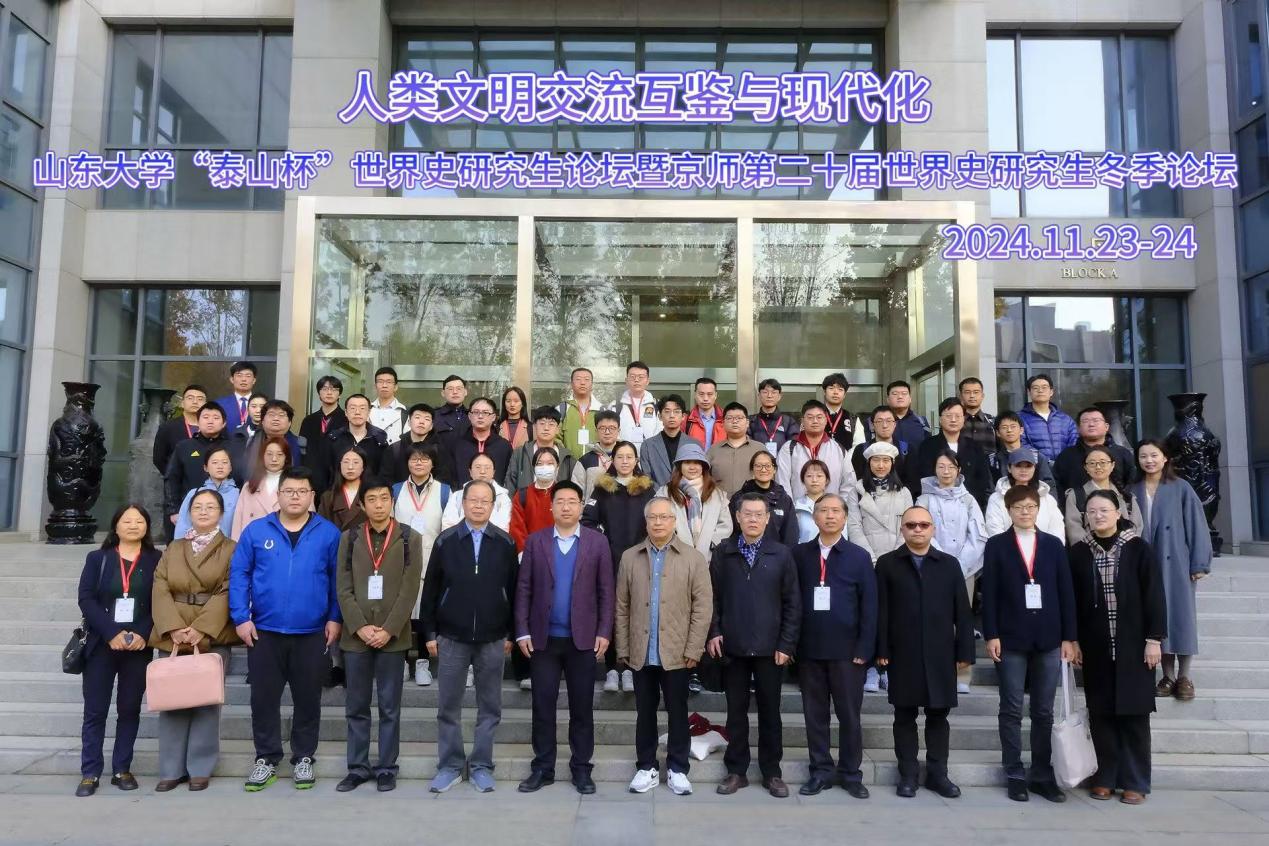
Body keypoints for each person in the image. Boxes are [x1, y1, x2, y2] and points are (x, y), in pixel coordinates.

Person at [230, 467, 342, 792]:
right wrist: (241, 617)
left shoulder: (328, 533)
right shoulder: (256, 531)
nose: (295, 497)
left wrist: (334, 617)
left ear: (312, 496)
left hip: (311, 631)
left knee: (308, 698)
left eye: (301, 491)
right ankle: (266, 758)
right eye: (289, 491)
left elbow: (337, 580)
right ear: (278, 495)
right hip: (264, 630)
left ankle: (304, 756)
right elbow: (239, 574)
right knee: (263, 698)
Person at [515, 482, 615, 795]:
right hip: (543, 639)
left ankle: (581, 769)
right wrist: (522, 630)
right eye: (560, 501)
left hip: (582, 641)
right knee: (542, 706)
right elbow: (524, 588)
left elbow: (606, 591)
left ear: (581, 506)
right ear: (552, 506)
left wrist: (604, 631)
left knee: (581, 708)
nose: (566, 507)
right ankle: (542, 768)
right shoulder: (536, 541)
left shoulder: (597, 543)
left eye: (572, 501)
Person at [420, 480, 520, 794]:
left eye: (484, 501)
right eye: (472, 500)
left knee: (489, 708)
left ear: (493, 505)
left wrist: (511, 632)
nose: (478, 506)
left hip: (493, 637)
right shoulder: (446, 541)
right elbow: (431, 590)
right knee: (448, 706)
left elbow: (514, 592)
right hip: (451, 636)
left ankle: (481, 766)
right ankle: (450, 766)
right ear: (463, 504)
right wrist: (429, 632)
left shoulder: (505, 542)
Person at [1068, 490, 1166, 804]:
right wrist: (1073, 639)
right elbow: (1072, 601)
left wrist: (1154, 639)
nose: (1098, 516)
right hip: (1096, 646)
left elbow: (1154, 595)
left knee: (1134, 715)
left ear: (1118, 513)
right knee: (1101, 713)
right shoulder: (1079, 553)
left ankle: (1135, 781)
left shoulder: (1138, 548)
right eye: (1092, 511)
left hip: (1135, 646)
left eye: (1104, 510)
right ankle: (1105, 777)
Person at [981, 485, 1078, 803]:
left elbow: (1066, 592)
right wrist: (991, 634)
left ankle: (1041, 774)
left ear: (1039, 509)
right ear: (1008, 511)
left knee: (1043, 710)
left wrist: (1069, 637)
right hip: (1010, 637)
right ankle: (1013, 772)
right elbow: (990, 593)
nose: (1025, 512)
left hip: (1049, 637)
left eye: (1030, 507)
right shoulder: (997, 545)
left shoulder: (1053, 545)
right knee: (1010, 708)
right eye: (1018, 507)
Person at [875, 506, 975, 799]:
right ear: (902, 529)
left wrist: (965, 651)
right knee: (904, 716)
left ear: (933, 529)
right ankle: (907, 774)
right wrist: (880, 649)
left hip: (940, 652)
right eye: (911, 525)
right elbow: (880, 611)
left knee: (938, 716)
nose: (917, 530)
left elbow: (963, 612)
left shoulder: (949, 564)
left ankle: (937, 774)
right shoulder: (887, 564)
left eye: (923, 525)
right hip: (902, 652)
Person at [616, 496, 713, 797]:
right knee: (644, 711)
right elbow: (622, 606)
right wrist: (623, 647)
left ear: (674, 521)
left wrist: (694, 649)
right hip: (641, 648)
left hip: (678, 651)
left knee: (677, 711)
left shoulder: (693, 558)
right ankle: (646, 766)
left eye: (664, 517)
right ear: (646, 522)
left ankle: (678, 768)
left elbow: (703, 607)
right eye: (653, 518)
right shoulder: (630, 557)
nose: (658, 522)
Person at [334, 477, 423, 793]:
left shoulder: (409, 538)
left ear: (392, 501)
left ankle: (386, 767)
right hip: (355, 637)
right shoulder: (349, 538)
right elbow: (343, 587)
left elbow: (410, 589)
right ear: (362, 504)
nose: (379, 505)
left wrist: (388, 629)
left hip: (393, 637)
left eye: (384, 498)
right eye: (371, 499)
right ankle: (357, 767)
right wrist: (359, 626)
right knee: (356, 706)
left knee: (389, 707)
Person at [708, 493, 800, 798]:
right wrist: (714, 632)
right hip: (733, 646)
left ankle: (772, 773)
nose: (753, 519)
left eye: (759, 514)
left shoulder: (781, 554)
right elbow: (712, 598)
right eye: (747, 514)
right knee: (735, 712)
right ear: (737, 517)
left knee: (770, 712)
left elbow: (793, 603)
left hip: (770, 649)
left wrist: (786, 643)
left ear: (768, 518)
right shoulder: (724, 552)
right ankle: (737, 771)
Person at [149, 490, 239, 792]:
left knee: (206, 702)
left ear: (221, 514)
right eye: (197, 507)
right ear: (189, 512)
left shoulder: (231, 548)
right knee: (172, 700)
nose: (203, 511)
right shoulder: (174, 548)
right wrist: (173, 627)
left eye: (210, 507)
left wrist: (202, 628)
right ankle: (170, 768)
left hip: (211, 633)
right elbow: (160, 586)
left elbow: (228, 588)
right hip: (174, 631)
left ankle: (200, 767)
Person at [794, 493, 876, 798]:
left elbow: (870, 606)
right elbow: (790, 601)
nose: (829, 516)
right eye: (823, 510)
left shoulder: (859, 556)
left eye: (835, 511)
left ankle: (851, 774)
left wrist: (865, 648)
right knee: (815, 716)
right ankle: (820, 771)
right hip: (810, 650)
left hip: (847, 653)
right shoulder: (800, 555)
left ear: (845, 517)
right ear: (814, 517)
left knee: (849, 716)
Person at [74, 505, 160, 797]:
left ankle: (122, 768)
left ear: (147, 527)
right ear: (116, 526)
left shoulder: (157, 559)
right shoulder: (97, 558)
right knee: (95, 710)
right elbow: (86, 598)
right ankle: (90, 772)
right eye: (127, 520)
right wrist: (111, 633)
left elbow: (161, 600)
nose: (133, 525)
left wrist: (142, 633)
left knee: (129, 708)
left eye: (139, 521)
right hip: (101, 645)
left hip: (138, 646)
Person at [1131, 439, 1213, 702]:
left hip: (1177, 561)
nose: (1149, 460)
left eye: (1154, 455)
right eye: (1143, 456)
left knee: (1181, 617)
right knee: (1158, 617)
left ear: (1165, 457)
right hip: (1146, 564)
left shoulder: (1181, 487)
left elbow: (1197, 525)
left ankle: (1184, 676)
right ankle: (1167, 676)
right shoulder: (1133, 490)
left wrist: (1199, 562)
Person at [580, 441, 655, 692]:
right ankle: (612, 668)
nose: (624, 461)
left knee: (635, 613)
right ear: (613, 460)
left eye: (629, 456)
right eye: (620, 456)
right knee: (613, 613)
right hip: (609, 559)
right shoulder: (603, 488)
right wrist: (603, 542)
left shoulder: (647, 490)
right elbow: (587, 521)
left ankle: (631, 668)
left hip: (640, 560)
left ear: (636, 460)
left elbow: (657, 522)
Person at [916, 451, 987, 694]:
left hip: (964, 569)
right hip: (930, 567)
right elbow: (921, 530)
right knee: (933, 621)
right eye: (941, 466)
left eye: (951, 467)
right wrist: (941, 561)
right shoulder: (924, 499)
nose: (946, 471)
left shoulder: (968, 499)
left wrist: (959, 564)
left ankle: (963, 674)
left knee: (962, 621)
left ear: (958, 470)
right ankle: (934, 672)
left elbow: (978, 535)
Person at [390, 441, 452, 687]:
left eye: (424, 458)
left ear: (432, 463)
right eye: (414, 458)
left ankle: (423, 662)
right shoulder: (396, 490)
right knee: (402, 611)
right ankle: (403, 660)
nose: (419, 462)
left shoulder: (444, 491)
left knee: (427, 612)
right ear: (407, 462)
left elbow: (448, 527)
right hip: (401, 562)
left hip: (432, 561)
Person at [164, 404, 243, 530]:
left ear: (224, 423)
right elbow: (172, 478)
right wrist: (173, 510)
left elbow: (241, 477)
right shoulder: (184, 447)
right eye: (206, 417)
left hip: (228, 514)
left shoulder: (234, 448)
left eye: (216, 418)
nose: (210, 421)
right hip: (191, 512)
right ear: (198, 421)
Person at [907, 398, 993, 509]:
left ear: (963, 419)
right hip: (936, 505)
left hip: (968, 505)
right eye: (948, 416)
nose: (953, 420)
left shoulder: (975, 446)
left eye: (958, 416)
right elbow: (924, 477)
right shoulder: (927, 446)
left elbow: (983, 480)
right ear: (940, 419)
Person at [656, 443, 733, 559]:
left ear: (702, 466)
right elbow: (659, 521)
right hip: (675, 555)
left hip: (709, 557)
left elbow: (726, 525)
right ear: (680, 466)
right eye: (687, 462)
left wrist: (711, 544)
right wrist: (673, 544)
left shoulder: (716, 494)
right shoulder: (665, 492)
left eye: (696, 463)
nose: (692, 467)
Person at [776, 400, 858, 502]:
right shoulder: (789, 448)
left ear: (826, 420)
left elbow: (849, 484)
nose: (815, 421)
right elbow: (782, 482)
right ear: (802, 421)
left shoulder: (838, 449)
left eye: (819, 417)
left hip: (831, 509)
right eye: (810, 417)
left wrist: (839, 507)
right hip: (798, 509)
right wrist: (791, 509)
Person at [1064, 444, 1144, 546]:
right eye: (1092, 463)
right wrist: (1093, 550)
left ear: (1112, 465)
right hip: (1089, 552)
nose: (1098, 467)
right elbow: (1074, 530)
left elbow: (1137, 527)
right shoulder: (1076, 496)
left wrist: (1124, 549)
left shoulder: (1126, 497)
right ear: (1085, 467)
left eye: (1103, 463)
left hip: (1125, 551)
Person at [848, 442, 913, 565]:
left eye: (886, 460)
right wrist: (870, 559)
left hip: (898, 561)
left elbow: (909, 526)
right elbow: (854, 527)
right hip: (866, 560)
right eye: (876, 460)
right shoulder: (856, 492)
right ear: (869, 462)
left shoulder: (904, 493)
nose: (881, 465)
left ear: (892, 463)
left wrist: (895, 559)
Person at [1053, 407, 1136, 502]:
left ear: (1106, 427)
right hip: (1076, 508)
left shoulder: (1122, 453)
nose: (1091, 424)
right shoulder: (1066, 456)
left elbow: (1131, 482)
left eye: (1096, 420)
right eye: (1085, 421)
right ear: (1078, 428)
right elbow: (1058, 486)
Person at [985, 447, 1065, 539]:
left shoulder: (1047, 498)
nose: (1023, 470)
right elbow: (994, 530)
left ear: (1034, 468)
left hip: (1045, 547)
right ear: (1009, 468)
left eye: (1028, 466)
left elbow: (1057, 530)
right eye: (1018, 465)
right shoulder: (996, 498)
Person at [319, 395, 387, 495]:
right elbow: (325, 470)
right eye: (353, 408)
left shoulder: (379, 439)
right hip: (338, 494)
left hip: (370, 495)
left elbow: (383, 472)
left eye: (362, 408)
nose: (357, 412)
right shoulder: (334, 438)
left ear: (369, 412)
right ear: (346, 412)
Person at [728, 451, 798, 547]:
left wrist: (784, 554)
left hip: (776, 554)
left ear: (774, 469)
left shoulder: (784, 498)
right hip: (744, 552)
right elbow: (732, 531)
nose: (763, 470)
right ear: (752, 470)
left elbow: (790, 534)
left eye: (768, 466)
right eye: (758, 466)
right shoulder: (739, 498)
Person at [231, 436, 292, 541]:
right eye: (269, 454)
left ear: (286, 458)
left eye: (279, 454)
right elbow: (237, 522)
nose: (274, 459)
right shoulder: (249, 486)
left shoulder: (297, 486)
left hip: (283, 544)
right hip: (251, 545)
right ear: (262, 456)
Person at [379, 403, 454, 486]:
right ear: (409, 422)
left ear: (431, 426)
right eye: (417, 417)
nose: (421, 422)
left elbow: (444, 479)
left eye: (427, 419)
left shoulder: (439, 450)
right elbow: (385, 479)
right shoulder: (394, 449)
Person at [173, 445, 240, 539]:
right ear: (206, 467)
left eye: (224, 462)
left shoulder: (239, 495)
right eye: (215, 462)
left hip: (228, 546)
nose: (220, 466)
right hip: (197, 546)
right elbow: (183, 525)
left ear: (231, 467)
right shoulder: (194, 493)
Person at [506, 406, 575, 491]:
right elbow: (509, 485)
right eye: (542, 423)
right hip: (525, 499)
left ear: (557, 429)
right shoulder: (519, 453)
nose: (546, 428)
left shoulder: (567, 457)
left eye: (551, 424)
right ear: (534, 426)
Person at [441, 453, 513, 533]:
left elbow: (503, 529)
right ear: (470, 472)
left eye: (487, 468)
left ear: (493, 472)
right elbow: (448, 526)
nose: (482, 471)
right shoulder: (457, 496)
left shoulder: (503, 498)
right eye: (478, 467)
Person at [450, 397, 514, 486]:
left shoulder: (504, 446)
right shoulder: (457, 445)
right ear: (469, 416)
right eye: (476, 412)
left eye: (485, 413)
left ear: (493, 417)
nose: (480, 416)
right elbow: (451, 477)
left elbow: (509, 477)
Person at [510, 447, 564, 551]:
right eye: (539, 464)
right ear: (533, 467)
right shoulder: (522, 495)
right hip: (530, 552)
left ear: (557, 466)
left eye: (550, 463)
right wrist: (525, 553)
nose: (544, 467)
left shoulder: (564, 494)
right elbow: (517, 529)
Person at [707, 402, 767, 496]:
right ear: (723, 423)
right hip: (719, 503)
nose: (734, 421)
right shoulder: (713, 450)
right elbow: (705, 479)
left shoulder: (759, 449)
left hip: (752, 503)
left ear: (747, 423)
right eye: (730, 418)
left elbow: (769, 479)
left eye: (739, 418)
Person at [235, 399, 303, 478]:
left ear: (289, 422)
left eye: (281, 415)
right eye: (271, 414)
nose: (276, 418)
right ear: (262, 421)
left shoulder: (300, 444)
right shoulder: (251, 442)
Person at [1018, 374, 1077, 462]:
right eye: (1035, 388)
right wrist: (1045, 462)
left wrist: (1063, 462)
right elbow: (1021, 443)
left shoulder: (1065, 420)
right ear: (1029, 392)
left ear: (1051, 392)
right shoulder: (1019, 418)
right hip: (1035, 467)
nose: (1040, 390)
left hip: (1064, 466)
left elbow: (1074, 443)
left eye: (1044, 387)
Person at [989, 411, 1056, 487]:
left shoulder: (1036, 456)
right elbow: (989, 487)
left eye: (1013, 426)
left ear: (1021, 430)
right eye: (1004, 427)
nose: (1009, 430)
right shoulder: (992, 460)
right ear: (998, 433)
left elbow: (1049, 484)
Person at [857, 380, 929, 450]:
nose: (900, 396)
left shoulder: (922, 421)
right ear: (888, 399)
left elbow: (928, 447)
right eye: (895, 394)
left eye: (904, 393)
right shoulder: (872, 422)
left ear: (910, 399)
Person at [153, 384, 207, 475]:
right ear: (182, 403)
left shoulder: (212, 427)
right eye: (190, 398)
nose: (195, 402)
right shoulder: (168, 427)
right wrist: (173, 476)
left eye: (200, 399)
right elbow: (159, 459)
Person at [558, 368, 609, 461]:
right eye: (578, 379)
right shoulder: (562, 409)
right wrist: (565, 458)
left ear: (592, 384)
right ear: (571, 384)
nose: (582, 383)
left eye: (586, 379)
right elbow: (556, 438)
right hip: (569, 464)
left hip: (596, 464)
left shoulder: (602, 410)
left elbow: (610, 439)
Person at [639, 393, 688, 487]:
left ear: (683, 416)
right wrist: (662, 493)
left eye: (676, 411)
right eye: (667, 411)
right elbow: (646, 478)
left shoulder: (694, 444)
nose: (672, 415)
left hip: (686, 495)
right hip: (657, 494)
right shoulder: (647, 446)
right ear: (660, 416)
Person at [850, 405, 909, 482]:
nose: (885, 426)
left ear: (895, 424)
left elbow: (913, 483)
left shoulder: (907, 450)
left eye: (889, 421)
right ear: (872, 425)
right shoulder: (861, 450)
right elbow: (857, 479)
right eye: (879, 421)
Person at [571, 409, 622, 498]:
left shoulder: (628, 457)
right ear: (596, 431)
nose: (607, 432)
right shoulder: (585, 460)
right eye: (602, 428)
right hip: (592, 507)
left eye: (612, 428)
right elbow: (576, 495)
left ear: (619, 431)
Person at [318, 446, 369, 532]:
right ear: (340, 465)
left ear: (363, 466)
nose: (350, 467)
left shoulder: (371, 494)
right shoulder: (328, 497)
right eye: (346, 462)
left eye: (356, 462)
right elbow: (321, 529)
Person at [617, 360, 661, 451]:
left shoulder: (657, 405)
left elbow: (661, 432)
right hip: (624, 456)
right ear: (626, 380)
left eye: (641, 377)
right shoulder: (616, 406)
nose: (636, 380)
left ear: (648, 381)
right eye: (632, 377)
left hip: (650, 455)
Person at [748, 378, 799, 453]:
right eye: (765, 392)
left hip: (782, 460)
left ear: (779, 396)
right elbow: (747, 446)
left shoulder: (789, 421)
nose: (769, 396)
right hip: (756, 460)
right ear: (759, 395)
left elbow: (794, 445)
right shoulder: (750, 421)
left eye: (773, 392)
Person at [298, 375, 347, 450]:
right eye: (325, 389)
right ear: (319, 393)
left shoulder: (347, 419)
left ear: (339, 394)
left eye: (334, 389)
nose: (329, 392)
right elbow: (302, 448)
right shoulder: (308, 420)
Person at [792, 460, 832, 543]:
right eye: (809, 476)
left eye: (819, 476)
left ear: (827, 480)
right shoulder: (795, 507)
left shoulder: (836, 506)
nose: (814, 480)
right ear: (803, 480)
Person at [214, 361, 259, 434]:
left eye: (248, 376)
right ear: (232, 379)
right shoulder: (219, 404)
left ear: (254, 380)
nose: (243, 379)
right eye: (239, 375)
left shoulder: (263, 404)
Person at [369, 366, 409, 445]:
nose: (384, 385)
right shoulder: (367, 410)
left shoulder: (405, 412)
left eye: (389, 382)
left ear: (396, 387)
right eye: (380, 381)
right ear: (375, 386)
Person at [683, 377, 725, 451]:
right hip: (695, 458)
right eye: (701, 394)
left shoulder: (726, 418)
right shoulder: (686, 420)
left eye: (710, 394)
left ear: (715, 395)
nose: (705, 398)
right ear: (695, 394)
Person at [959, 377, 996, 453]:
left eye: (976, 392)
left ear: (982, 396)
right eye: (967, 392)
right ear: (961, 396)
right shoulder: (955, 422)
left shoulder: (993, 422)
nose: (972, 396)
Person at [821, 372, 857, 451]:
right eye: (831, 388)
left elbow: (858, 447)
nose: (835, 392)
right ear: (824, 391)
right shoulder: (814, 416)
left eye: (840, 389)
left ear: (844, 395)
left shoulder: (853, 419)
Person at [433, 374, 470, 445]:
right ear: (443, 393)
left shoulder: (473, 415)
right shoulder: (433, 416)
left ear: (465, 392)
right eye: (450, 389)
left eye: (459, 388)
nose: (455, 392)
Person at [498, 386, 531, 451]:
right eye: (508, 401)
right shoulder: (497, 427)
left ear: (522, 404)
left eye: (516, 401)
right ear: (504, 404)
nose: (512, 404)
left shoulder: (530, 427)